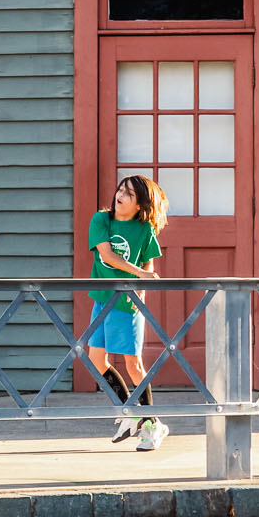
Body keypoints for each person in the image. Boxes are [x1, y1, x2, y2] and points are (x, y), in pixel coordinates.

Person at [86, 174, 171, 452]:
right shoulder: (101, 220)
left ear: (139, 205)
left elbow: (148, 261)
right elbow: (108, 256)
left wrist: (141, 293)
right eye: (120, 189)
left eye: (129, 195)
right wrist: (140, 274)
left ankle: (153, 424)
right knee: (96, 359)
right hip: (102, 298)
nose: (120, 196)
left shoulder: (145, 230)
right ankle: (129, 412)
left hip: (126, 302)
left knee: (132, 364)